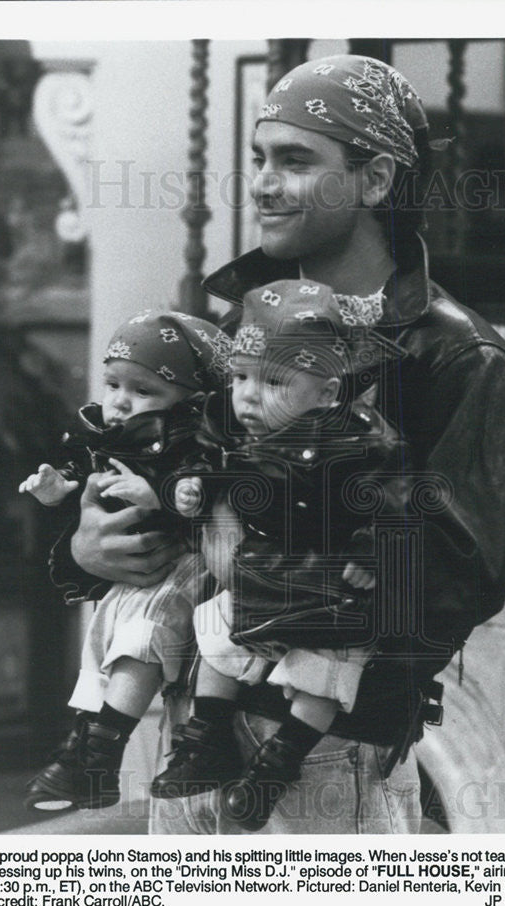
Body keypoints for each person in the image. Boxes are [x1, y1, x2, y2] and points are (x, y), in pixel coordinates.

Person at [68, 53, 505, 835]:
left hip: (326, 751)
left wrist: (295, 606)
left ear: (377, 180)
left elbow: (464, 573)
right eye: (258, 158)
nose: (260, 182)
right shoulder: (233, 333)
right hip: (187, 730)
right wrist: (96, 545)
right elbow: (176, 490)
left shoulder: (455, 357)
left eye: (293, 160)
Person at [149, 279, 408, 829]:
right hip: (260, 577)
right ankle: (207, 737)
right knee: (214, 632)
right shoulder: (241, 438)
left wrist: (369, 548)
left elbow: (395, 500)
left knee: (324, 671)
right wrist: (192, 488)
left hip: (329, 589)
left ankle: (281, 759)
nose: (247, 395)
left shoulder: (363, 442)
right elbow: (208, 470)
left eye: (272, 381)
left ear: (328, 393)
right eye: (240, 377)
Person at [19, 309, 230, 810]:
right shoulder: (101, 430)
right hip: (137, 571)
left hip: (185, 562)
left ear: (189, 398)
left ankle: (99, 748)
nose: (119, 402)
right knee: (106, 635)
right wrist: (59, 490)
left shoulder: (192, 435)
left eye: (142, 391)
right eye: (113, 384)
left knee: (144, 630)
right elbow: (81, 482)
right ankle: (89, 755)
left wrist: (159, 492)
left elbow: (204, 483)